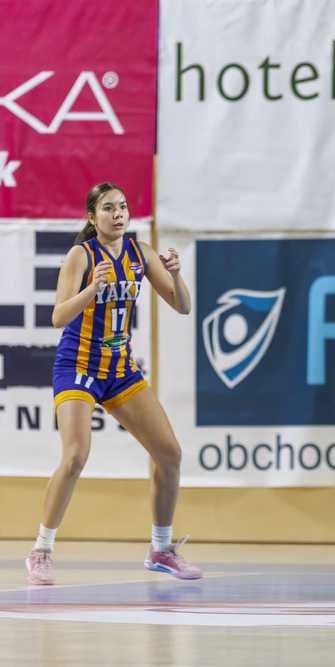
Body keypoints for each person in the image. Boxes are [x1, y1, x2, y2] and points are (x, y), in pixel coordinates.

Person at [25, 182, 202, 585]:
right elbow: (58, 317)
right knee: (75, 456)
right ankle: (41, 549)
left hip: (120, 369)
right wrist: (93, 288)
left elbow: (182, 306)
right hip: (78, 365)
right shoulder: (81, 255)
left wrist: (177, 276)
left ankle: (161, 550)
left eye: (122, 207)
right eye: (108, 208)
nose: (118, 214)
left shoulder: (141, 253)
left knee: (170, 453)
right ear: (92, 217)